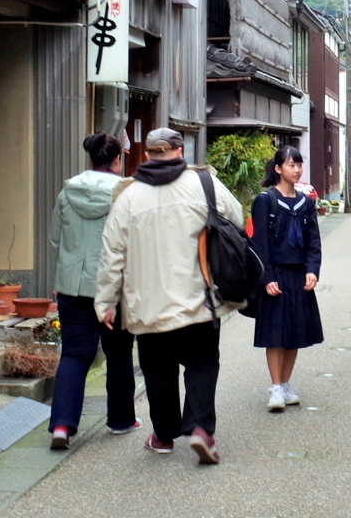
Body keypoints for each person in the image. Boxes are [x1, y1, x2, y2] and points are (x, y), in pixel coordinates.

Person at [95, 127, 243, 465]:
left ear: (146, 154)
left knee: (158, 370)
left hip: (147, 306)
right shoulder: (204, 183)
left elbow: (112, 254)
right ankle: (201, 429)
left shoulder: (127, 196)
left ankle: (163, 437)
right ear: (179, 151)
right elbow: (235, 217)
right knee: (202, 363)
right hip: (199, 299)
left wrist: (105, 302)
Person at [48, 133, 137, 450]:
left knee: (73, 354)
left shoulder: (67, 191)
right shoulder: (125, 193)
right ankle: (121, 420)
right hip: (115, 289)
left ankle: (61, 425)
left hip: (72, 286)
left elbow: (55, 241)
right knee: (119, 352)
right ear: (117, 160)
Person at [251, 146, 324, 411]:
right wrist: (266, 277)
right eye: (291, 165)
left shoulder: (306, 202)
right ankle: (275, 387)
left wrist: (312, 270)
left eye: (299, 165)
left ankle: (286, 382)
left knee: (295, 333)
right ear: (278, 169)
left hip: (298, 274)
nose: (297, 170)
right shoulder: (265, 200)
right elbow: (259, 243)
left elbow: (313, 241)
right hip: (275, 274)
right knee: (276, 334)